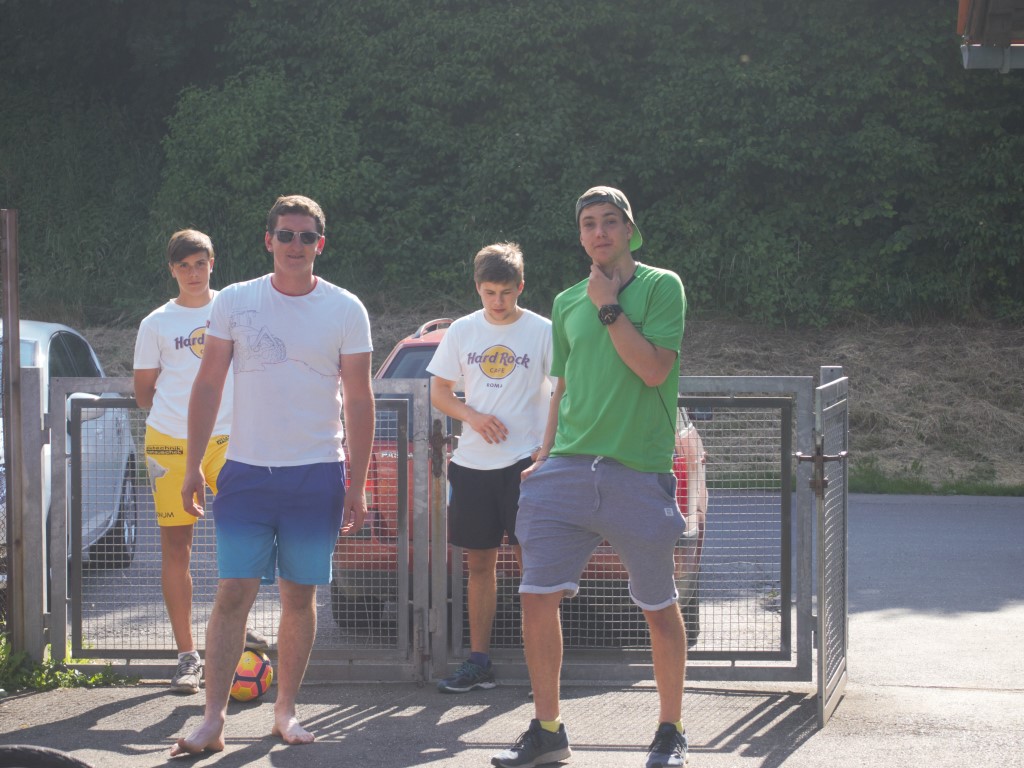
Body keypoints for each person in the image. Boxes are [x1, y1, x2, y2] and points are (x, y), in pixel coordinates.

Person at [492, 187, 689, 768]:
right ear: (580, 235)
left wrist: (609, 306)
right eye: (588, 224)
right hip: (566, 471)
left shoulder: (662, 286)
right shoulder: (565, 302)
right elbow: (564, 384)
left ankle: (670, 730)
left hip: (637, 471)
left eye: (609, 221)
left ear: (629, 229)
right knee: (535, 599)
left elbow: (653, 370)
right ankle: (548, 730)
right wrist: (544, 455)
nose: (599, 232)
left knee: (658, 606)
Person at [170, 195, 374, 755]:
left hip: (318, 473)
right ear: (268, 240)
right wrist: (192, 465)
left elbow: (359, 400)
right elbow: (208, 383)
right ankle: (212, 720)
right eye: (285, 235)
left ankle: (285, 711)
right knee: (232, 593)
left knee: (299, 597)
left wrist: (356, 484)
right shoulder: (236, 300)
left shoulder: (346, 309)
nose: (295, 245)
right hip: (246, 473)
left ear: (320, 245)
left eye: (306, 237)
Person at [133, 230, 269, 696]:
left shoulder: (232, 309)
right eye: (183, 265)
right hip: (170, 441)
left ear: (213, 263)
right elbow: (143, 393)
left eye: (200, 263)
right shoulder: (155, 322)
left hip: (230, 437)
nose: (193, 273)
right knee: (177, 548)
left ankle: (237, 631)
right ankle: (187, 656)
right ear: (172, 269)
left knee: (247, 536)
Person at [427, 242, 554, 694]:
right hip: (472, 465)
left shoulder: (543, 331)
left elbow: (565, 392)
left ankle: (542, 673)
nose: (498, 302)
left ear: (521, 286)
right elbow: (439, 392)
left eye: (506, 292)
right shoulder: (462, 331)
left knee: (533, 570)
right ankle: (479, 663)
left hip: (527, 466)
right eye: (489, 292)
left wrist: (546, 452)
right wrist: (473, 416)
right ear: (477, 288)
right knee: (479, 565)